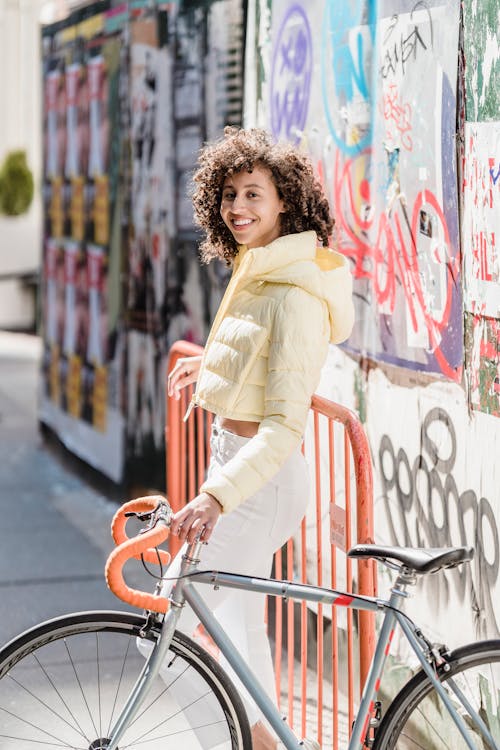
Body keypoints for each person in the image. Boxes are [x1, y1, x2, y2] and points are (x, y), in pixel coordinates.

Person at [165, 127, 354, 750]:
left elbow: (282, 426)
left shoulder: (294, 292)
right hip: (238, 465)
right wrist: (213, 362)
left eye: (254, 194)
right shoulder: (260, 267)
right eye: (228, 194)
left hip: (261, 479)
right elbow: (254, 346)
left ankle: (241, 742)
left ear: (284, 204)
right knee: (241, 623)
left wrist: (216, 496)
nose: (238, 207)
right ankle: (269, 742)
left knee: (176, 627)